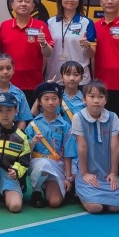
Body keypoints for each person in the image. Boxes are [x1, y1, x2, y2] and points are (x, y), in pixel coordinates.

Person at [71, 80, 119, 214]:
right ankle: (79, 192)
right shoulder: (78, 117)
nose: (96, 100)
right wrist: (84, 174)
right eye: (91, 96)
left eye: (100, 97)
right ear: (84, 99)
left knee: (115, 208)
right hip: (88, 171)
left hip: (106, 172)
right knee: (96, 208)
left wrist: (113, 173)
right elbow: (82, 147)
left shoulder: (113, 117)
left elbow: (115, 146)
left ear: (105, 100)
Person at [0, 0, 54, 92]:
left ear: (33, 6)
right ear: (13, 5)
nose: (23, 4)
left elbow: (48, 53)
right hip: (8, 84)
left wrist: (43, 43)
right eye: (19, 1)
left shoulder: (41, 26)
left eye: (27, 1)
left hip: (33, 84)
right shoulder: (5, 25)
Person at [26, 81, 74, 209]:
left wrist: (68, 178)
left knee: (55, 202)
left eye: (54, 98)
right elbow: (25, 151)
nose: (51, 102)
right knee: (44, 164)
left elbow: (68, 154)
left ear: (60, 101)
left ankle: (46, 186)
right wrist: (33, 142)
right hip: (37, 164)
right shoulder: (33, 124)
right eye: (46, 99)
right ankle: (36, 191)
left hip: (57, 164)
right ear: (39, 102)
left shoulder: (65, 126)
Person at [44, 0, 95, 82]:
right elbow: (45, 54)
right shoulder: (50, 22)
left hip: (80, 79)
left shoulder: (87, 22)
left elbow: (91, 55)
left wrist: (87, 47)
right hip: (54, 77)